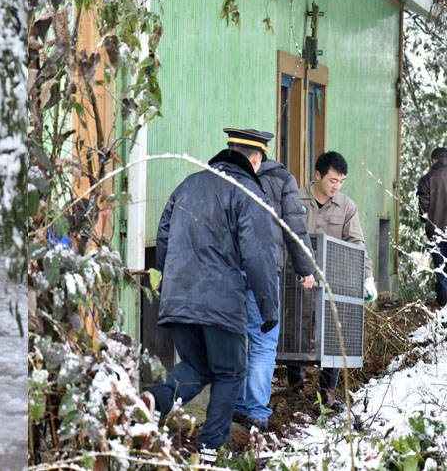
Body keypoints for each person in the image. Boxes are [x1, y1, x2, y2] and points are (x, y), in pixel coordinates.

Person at [141, 128, 279, 463]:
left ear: (229, 150)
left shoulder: (188, 184)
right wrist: (269, 307)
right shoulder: (247, 192)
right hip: (220, 303)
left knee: (196, 366)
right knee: (230, 372)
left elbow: (163, 237)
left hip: (178, 299)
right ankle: (209, 450)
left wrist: (170, 283)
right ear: (257, 158)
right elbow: (259, 256)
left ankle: (153, 400)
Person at [287, 151, 376, 410]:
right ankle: (295, 391)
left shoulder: (347, 206)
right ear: (317, 175)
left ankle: (327, 395)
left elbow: (357, 244)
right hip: (298, 282)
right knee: (297, 333)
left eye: (341, 182)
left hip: (333, 284)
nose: (336, 187)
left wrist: (366, 277)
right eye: (332, 180)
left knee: (334, 336)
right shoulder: (295, 200)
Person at [232, 159, 315, 432]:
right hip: (265, 271)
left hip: (229, 269)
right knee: (263, 341)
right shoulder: (282, 179)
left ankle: (238, 406)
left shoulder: (222, 173)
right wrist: (306, 269)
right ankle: (256, 412)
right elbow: (294, 228)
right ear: (263, 154)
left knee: (235, 338)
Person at [416, 147, 447, 306]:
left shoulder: (427, 179)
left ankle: (444, 307)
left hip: (437, 233)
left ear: (434, 160)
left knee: (442, 270)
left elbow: (423, 209)